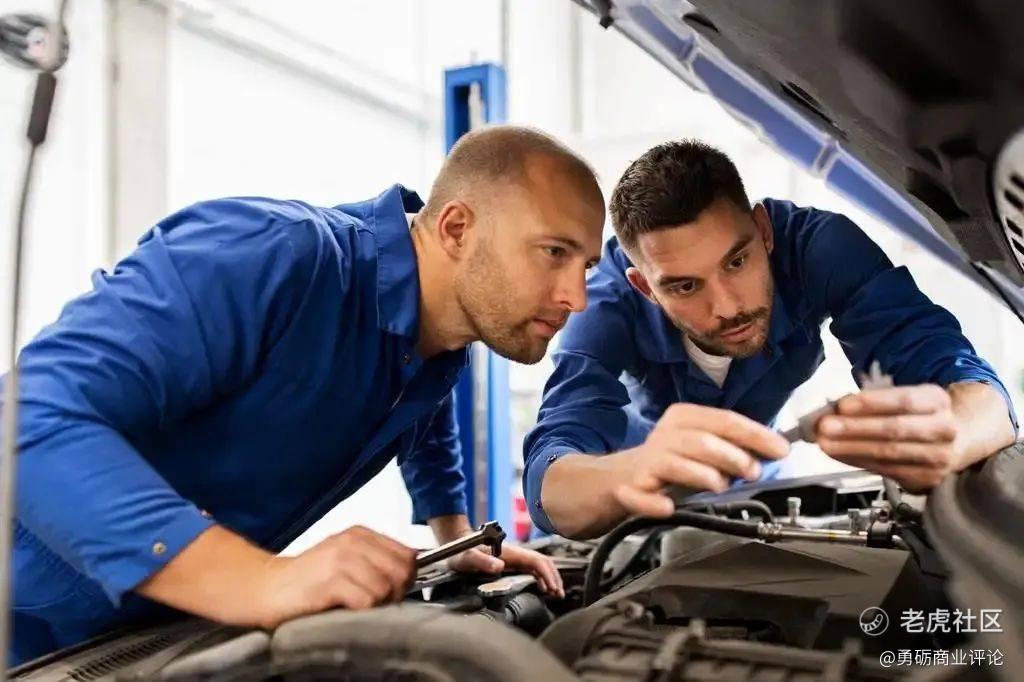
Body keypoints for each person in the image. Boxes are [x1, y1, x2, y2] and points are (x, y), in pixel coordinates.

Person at [4, 125, 606, 664]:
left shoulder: (439, 344)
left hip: (156, 633)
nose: (576, 298)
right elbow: (27, 420)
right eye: (554, 252)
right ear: (456, 228)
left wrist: (456, 542)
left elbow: (425, 417)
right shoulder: (270, 255)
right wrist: (259, 581)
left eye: (585, 265)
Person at [524, 140, 1017, 539]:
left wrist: (950, 435)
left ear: (763, 231)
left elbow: (974, 390)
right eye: (685, 286)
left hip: (761, 484)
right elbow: (549, 480)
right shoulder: (603, 305)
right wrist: (629, 473)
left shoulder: (820, 249)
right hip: (637, 508)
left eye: (737, 261)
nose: (727, 307)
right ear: (644, 288)